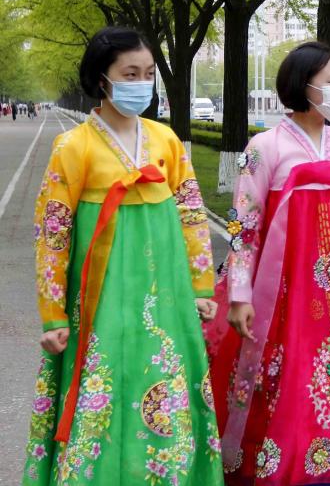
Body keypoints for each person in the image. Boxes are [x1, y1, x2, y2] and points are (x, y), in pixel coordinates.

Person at [22, 26, 224, 485]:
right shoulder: (74, 147)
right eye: (130, 73)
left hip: (166, 297)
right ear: (102, 79)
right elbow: (52, 231)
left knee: (164, 379)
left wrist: (200, 286)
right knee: (105, 383)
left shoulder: (167, 142)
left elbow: (192, 213)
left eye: (148, 74)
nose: (142, 83)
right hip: (101, 295)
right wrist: (53, 315)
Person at [205, 40, 330, 485]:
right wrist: (239, 295)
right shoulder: (265, 148)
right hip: (287, 295)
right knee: (289, 377)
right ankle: (289, 465)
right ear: (303, 86)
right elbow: (244, 226)